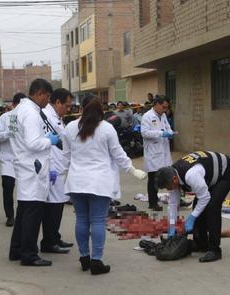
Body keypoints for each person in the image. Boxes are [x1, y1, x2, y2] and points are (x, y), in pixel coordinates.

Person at [61, 96, 147, 275]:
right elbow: (118, 153)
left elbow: (65, 157)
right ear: (101, 109)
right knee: (98, 221)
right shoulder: (107, 128)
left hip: (76, 182)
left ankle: (84, 257)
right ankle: (96, 261)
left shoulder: (70, 128)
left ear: (82, 108)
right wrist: (132, 169)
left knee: (82, 220)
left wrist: (56, 174)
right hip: (99, 182)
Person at [155, 151, 230, 262]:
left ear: (175, 180)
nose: (169, 189)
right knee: (197, 206)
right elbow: (173, 204)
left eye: (168, 187)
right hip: (210, 175)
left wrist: (192, 217)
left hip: (227, 172)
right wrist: (172, 227)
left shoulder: (191, 175)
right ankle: (201, 244)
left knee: (212, 207)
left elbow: (205, 198)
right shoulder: (172, 175)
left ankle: (215, 250)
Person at [8, 78, 57, 267]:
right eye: (47, 97)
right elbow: (33, 143)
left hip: (24, 164)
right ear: (39, 93)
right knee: (32, 213)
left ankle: (17, 249)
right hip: (32, 167)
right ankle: (29, 254)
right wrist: (49, 140)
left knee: (23, 212)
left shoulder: (18, 111)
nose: (48, 101)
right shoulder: (30, 113)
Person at [39, 88, 75, 254]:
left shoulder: (57, 117)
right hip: (51, 169)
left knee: (58, 205)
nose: (68, 109)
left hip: (59, 168)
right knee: (52, 207)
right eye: (66, 105)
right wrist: (52, 169)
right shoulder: (46, 116)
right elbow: (48, 145)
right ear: (57, 102)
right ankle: (49, 242)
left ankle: (55, 237)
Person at [0, 93, 26, 227]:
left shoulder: (28, 118)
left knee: (25, 190)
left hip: (24, 159)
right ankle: (10, 216)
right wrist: (9, 133)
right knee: (7, 187)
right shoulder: (5, 118)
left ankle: (23, 215)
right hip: (8, 159)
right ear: (13, 105)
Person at [141, 95, 175, 211]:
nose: (165, 110)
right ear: (156, 104)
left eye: (166, 108)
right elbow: (145, 133)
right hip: (153, 152)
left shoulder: (163, 115)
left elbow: (167, 127)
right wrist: (161, 134)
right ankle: (153, 202)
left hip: (164, 151)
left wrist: (170, 132)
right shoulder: (147, 116)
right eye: (163, 107)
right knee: (154, 179)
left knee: (168, 177)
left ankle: (175, 200)